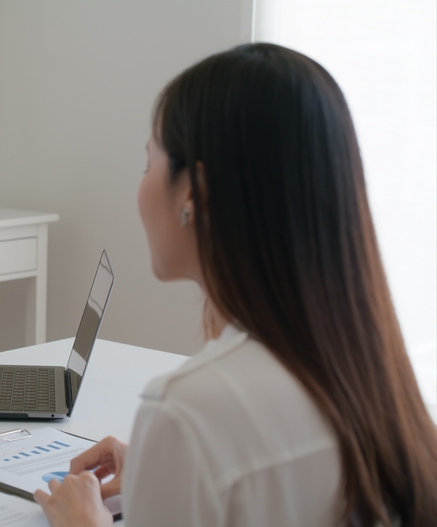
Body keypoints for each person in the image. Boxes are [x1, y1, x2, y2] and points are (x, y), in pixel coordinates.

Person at [33, 44, 437, 526]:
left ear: (192, 192)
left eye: (149, 163)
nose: (141, 187)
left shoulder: (188, 408)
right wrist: (170, 470)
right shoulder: (372, 374)